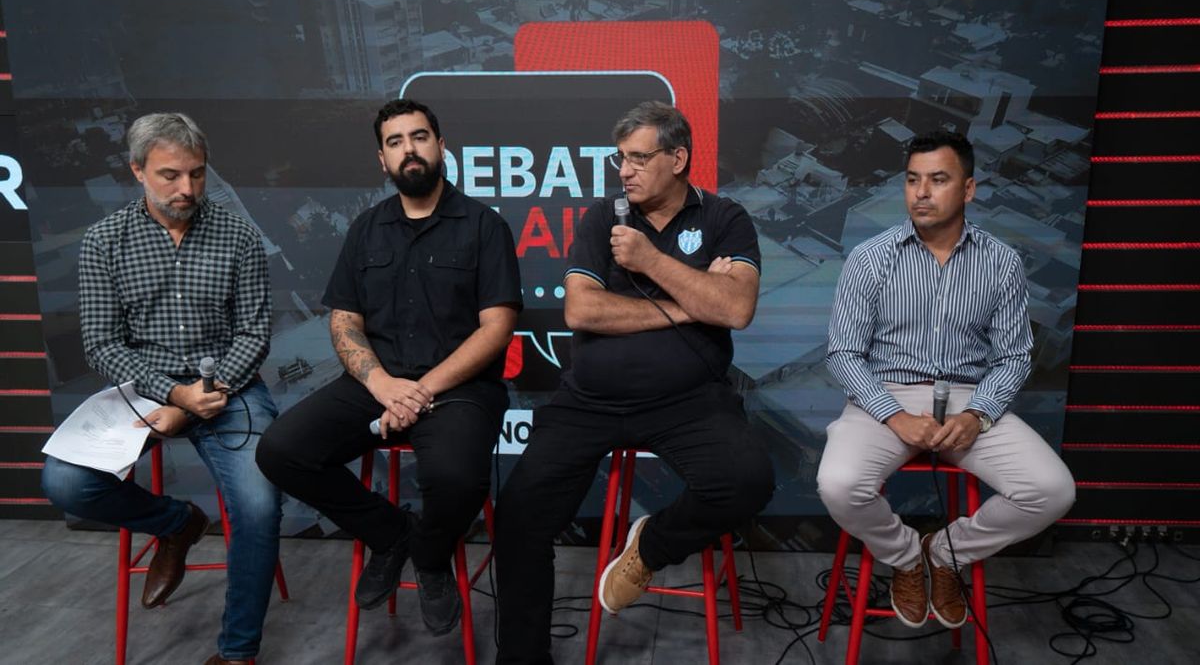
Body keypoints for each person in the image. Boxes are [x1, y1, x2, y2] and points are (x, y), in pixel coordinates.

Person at [494, 101, 775, 664]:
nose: (625, 170)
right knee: (519, 514)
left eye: (640, 158)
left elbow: (738, 308)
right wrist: (696, 301)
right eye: (620, 158)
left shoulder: (725, 219)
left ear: (679, 157)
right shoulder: (603, 219)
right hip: (590, 402)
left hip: (689, 401)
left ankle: (649, 546)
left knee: (749, 481)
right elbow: (581, 312)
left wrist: (649, 261)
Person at [256, 99, 521, 636]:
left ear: (441, 147)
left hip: (458, 388)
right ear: (382, 159)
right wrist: (380, 383)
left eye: (420, 137)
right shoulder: (365, 230)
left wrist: (418, 392)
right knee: (280, 451)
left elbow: (496, 329)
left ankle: (428, 555)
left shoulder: (484, 226)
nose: (410, 150)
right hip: (376, 382)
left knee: (457, 478)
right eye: (396, 142)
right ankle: (391, 533)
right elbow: (344, 323)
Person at [41, 112, 280, 665]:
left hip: (229, 384)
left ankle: (238, 652)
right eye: (170, 175)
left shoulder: (237, 232)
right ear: (137, 171)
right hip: (143, 388)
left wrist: (203, 394)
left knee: (260, 503)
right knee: (64, 481)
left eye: (197, 174)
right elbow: (101, 344)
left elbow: (254, 333)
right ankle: (178, 524)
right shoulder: (105, 241)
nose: (187, 189)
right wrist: (174, 398)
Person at [818, 130, 1075, 630]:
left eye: (938, 179)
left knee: (1052, 490)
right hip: (884, 396)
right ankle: (908, 557)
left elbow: (1015, 356)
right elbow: (844, 354)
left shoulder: (1000, 261)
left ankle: (946, 552)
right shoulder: (871, 258)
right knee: (839, 484)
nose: (921, 192)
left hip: (970, 398)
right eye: (913, 180)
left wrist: (979, 414)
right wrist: (893, 415)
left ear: (969, 189)